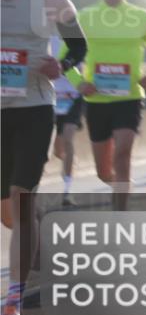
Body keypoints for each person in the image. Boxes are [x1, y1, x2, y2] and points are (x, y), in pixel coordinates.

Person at [1, 0, 86, 315]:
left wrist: (62, 66)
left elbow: (80, 45)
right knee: (9, 212)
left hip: (35, 108)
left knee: (21, 200)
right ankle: (38, 239)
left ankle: (13, 304)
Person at [63, 0, 146, 212]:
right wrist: (79, 82)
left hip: (130, 97)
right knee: (103, 172)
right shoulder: (84, 17)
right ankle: (120, 186)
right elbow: (64, 56)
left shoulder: (143, 17)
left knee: (123, 153)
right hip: (96, 100)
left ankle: (120, 213)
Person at [50, 35, 85, 205]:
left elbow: (86, 58)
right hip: (51, 97)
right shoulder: (44, 37)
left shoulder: (76, 37)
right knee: (58, 150)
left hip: (73, 96)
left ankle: (67, 190)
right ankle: (70, 163)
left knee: (68, 139)